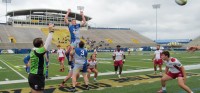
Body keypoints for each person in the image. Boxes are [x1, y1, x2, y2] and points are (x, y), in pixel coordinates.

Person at [28, 23, 54, 93]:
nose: (44, 43)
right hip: (37, 76)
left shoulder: (33, 50)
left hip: (32, 75)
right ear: (41, 45)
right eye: (43, 42)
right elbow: (48, 42)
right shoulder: (39, 50)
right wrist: (51, 31)